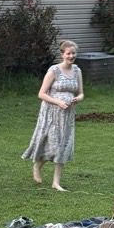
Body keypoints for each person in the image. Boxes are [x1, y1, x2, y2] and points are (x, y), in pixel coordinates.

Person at [22, 39, 84, 192]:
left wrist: (78, 98)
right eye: (68, 53)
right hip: (51, 114)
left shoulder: (77, 71)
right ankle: (37, 165)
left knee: (64, 145)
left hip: (68, 114)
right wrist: (58, 102)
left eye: (73, 53)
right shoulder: (54, 70)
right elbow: (41, 94)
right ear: (62, 54)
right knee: (51, 143)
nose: (71, 56)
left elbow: (81, 92)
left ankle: (56, 182)